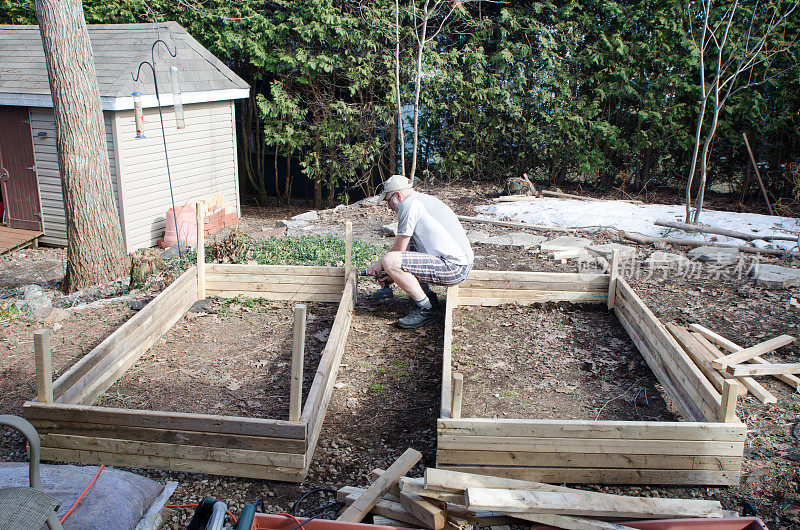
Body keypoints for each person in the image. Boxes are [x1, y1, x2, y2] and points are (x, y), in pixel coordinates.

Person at [365, 175, 474, 328]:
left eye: (387, 201)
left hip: (454, 268)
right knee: (409, 247)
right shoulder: (423, 200)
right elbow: (408, 249)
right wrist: (392, 275)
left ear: (398, 195)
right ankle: (429, 298)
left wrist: (381, 265)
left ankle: (426, 310)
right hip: (461, 264)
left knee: (390, 260)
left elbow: (398, 251)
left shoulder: (408, 205)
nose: (389, 207)